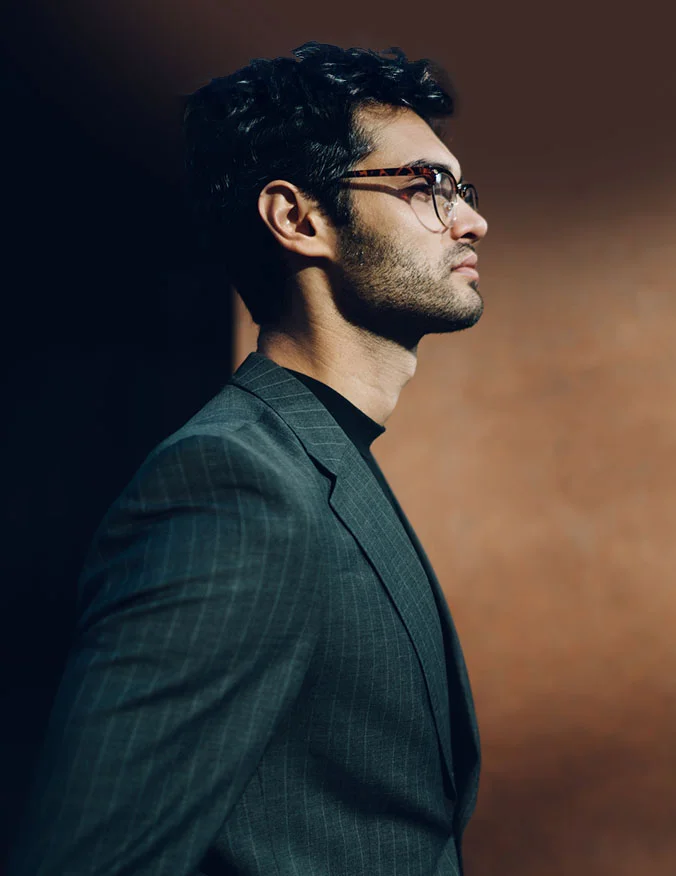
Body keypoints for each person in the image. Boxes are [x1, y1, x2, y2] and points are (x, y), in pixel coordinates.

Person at [9, 41, 488, 876]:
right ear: (298, 219)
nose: (472, 218)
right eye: (426, 186)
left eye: (463, 189)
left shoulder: (321, 459)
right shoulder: (234, 488)